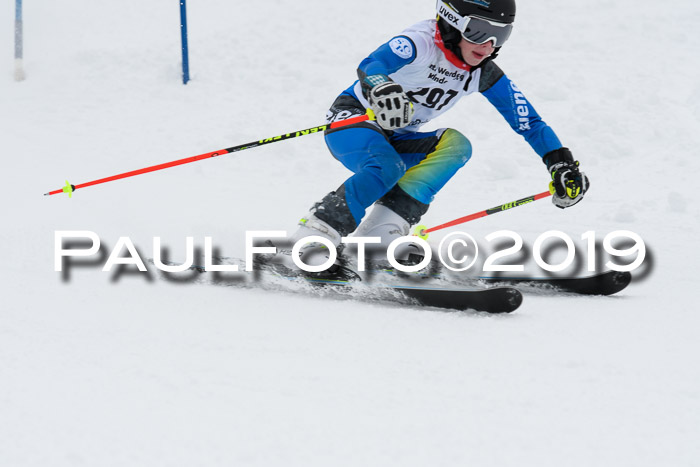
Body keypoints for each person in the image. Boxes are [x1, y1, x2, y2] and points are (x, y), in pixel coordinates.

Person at [288, 0, 589, 268]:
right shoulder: (420, 42)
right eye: (480, 31)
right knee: (386, 166)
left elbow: (529, 123)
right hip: (353, 120)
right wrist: (381, 86)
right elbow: (372, 64)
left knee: (456, 145)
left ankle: (380, 235)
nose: (489, 45)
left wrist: (560, 163)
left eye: (502, 34)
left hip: (398, 137)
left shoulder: (482, 71)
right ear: (452, 20)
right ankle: (315, 234)